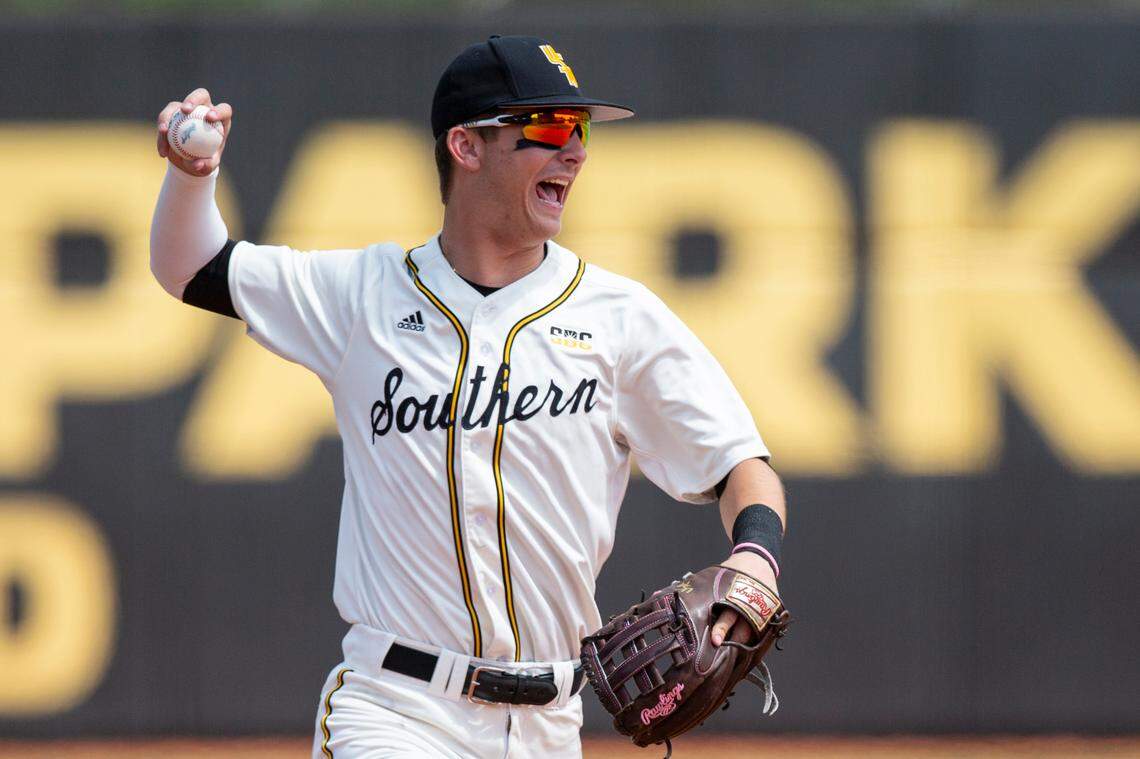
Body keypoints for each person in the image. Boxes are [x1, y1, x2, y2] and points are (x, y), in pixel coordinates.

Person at [150, 34, 786, 759]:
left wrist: (756, 558)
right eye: (546, 128)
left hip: (550, 723)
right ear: (466, 144)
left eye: (579, 131)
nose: (573, 151)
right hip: (397, 708)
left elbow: (742, 466)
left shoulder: (618, 317)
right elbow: (191, 267)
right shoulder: (364, 297)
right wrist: (193, 175)